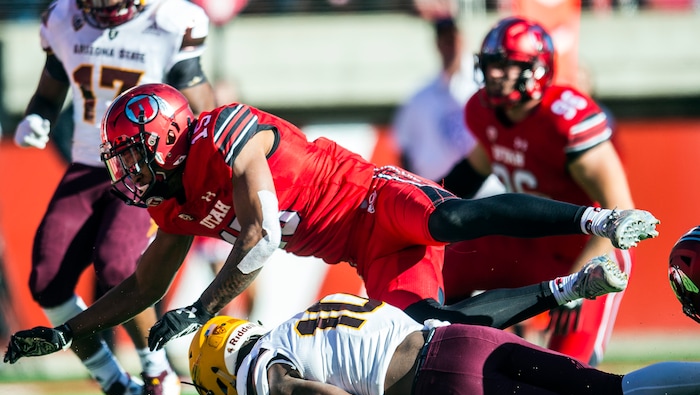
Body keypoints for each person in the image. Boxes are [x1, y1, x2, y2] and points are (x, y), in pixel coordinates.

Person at [2, 82, 658, 370]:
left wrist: (202, 308)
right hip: (354, 249)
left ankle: (598, 216)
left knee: (451, 217)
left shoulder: (224, 132)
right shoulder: (170, 204)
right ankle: (566, 292)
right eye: (125, 158)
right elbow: (143, 287)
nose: (131, 169)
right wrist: (66, 330)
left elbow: (260, 238)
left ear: (172, 134)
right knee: (432, 334)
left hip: (370, 197)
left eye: (138, 152)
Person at [12, 0, 216, 395]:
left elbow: (200, 107)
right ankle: (114, 384)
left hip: (146, 167)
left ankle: (155, 371)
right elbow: (49, 92)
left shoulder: (168, 22)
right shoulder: (64, 18)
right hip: (88, 163)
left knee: (118, 265)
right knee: (47, 281)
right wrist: (37, 116)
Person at [191, 294, 700, 395]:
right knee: (612, 389)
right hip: (462, 339)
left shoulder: (263, 376)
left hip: (444, 388)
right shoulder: (298, 323)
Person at [441, 17, 639, 366]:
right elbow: (468, 175)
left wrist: (579, 282)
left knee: (570, 372)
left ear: (536, 69)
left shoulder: (565, 119)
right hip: (525, 242)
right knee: (440, 262)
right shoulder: (484, 112)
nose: (495, 75)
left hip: (586, 249)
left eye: (505, 65)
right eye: (491, 65)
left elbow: (620, 213)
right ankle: (422, 347)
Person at [392, 17, 479, 183]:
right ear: (437, 44)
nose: (450, 45)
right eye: (444, 40)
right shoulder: (419, 98)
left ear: (462, 40)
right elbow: (403, 148)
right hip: (439, 195)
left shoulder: (483, 88)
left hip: (484, 194)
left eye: (453, 38)